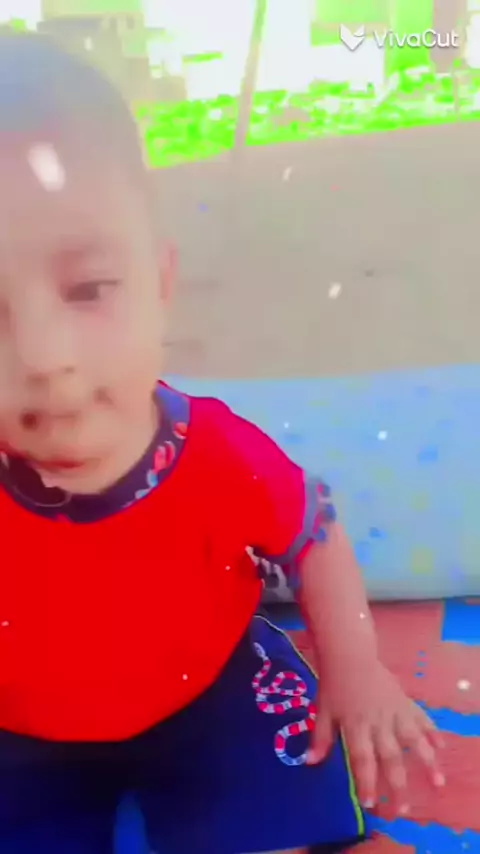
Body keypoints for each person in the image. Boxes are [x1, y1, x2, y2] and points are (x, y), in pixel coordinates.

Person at [0, 31, 445, 854]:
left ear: (160, 286)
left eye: (88, 289)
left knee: (270, 813)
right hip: (22, 734)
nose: (44, 359)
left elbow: (313, 530)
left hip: (206, 693)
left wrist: (356, 668)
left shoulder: (216, 455)